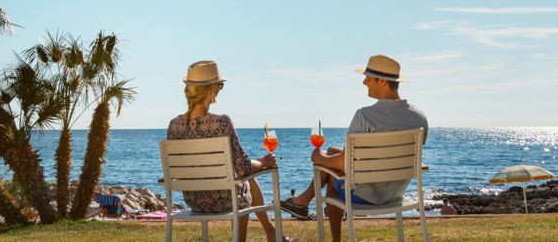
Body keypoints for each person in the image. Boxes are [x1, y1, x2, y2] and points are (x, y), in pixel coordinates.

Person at [280, 54, 428, 242]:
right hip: (396, 194)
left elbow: (344, 164)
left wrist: (319, 158)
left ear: (382, 81)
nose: (364, 82)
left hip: (367, 196)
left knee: (330, 175)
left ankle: (313, 213)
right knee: (334, 152)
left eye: (368, 77)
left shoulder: (365, 116)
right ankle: (303, 200)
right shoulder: (419, 117)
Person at [167, 60, 291, 242]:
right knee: (244, 183)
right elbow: (243, 167)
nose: (219, 90)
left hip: (193, 200)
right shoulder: (222, 122)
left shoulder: (173, 126)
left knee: (244, 181)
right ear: (211, 89)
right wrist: (263, 163)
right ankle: (272, 234)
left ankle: (272, 233)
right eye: (220, 85)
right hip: (224, 200)